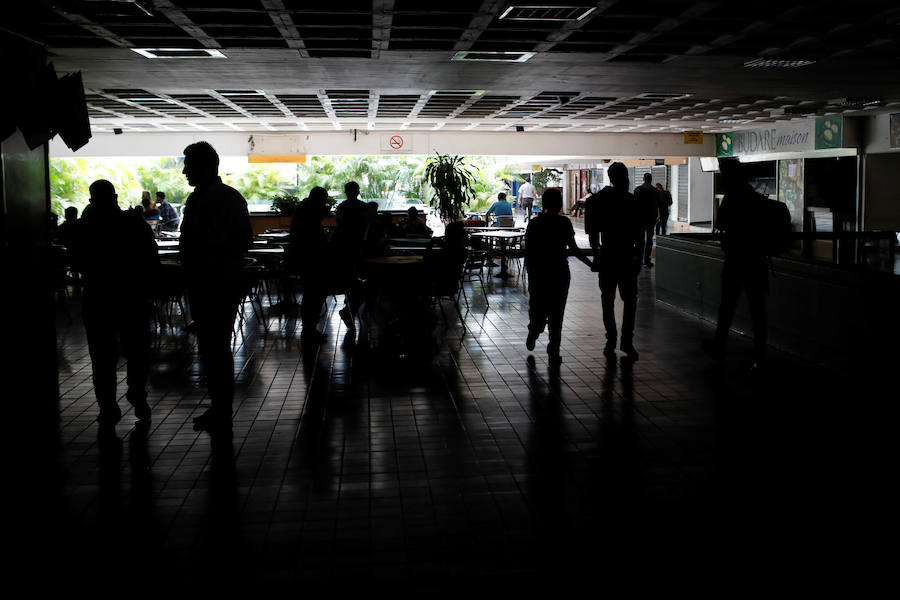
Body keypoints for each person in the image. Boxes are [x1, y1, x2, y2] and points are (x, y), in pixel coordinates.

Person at [66, 180, 158, 427]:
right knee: (137, 351)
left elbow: (75, 262)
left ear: (91, 199)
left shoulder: (83, 227)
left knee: (102, 356)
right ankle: (137, 394)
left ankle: (108, 407)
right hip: (131, 296)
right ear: (115, 197)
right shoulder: (133, 223)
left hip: (97, 297)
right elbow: (151, 256)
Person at [179, 141, 252, 432]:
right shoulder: (213, 198)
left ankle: (221, 407)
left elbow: (241, 241)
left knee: (216, 347)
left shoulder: (219, 199)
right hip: (211, 282)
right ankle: (219, 406)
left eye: (189, 164)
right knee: (213, 348)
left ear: (205, 166)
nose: (185, 170)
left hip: (216, 284)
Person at [703, 159, 770, 371]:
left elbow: (721, 226)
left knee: (727, 306)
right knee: (757, 309)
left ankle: (719, 347)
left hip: (736, 260)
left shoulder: (732, 198)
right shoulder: (755, 197)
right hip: (757, 261)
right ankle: (760, 354)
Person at [525, 188, 593, 365]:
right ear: (559, 203)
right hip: (559, 273)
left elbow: (529, 252)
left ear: (544, 203)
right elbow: (574, 248)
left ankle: (534, 329)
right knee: (557, 312)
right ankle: (553, 348)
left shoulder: (534, 223)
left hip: (539, 273)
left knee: (537, 305)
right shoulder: (564, 223)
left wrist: (530, 273)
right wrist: (590, 264)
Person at [584, 162, 643, 361]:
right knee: (630, 300)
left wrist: (596, 255)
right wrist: (639, 258)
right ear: (624, 177)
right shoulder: (632, 201)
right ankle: (627, 340)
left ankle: (612, 338)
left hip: (608, 256)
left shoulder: (597, 200)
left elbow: (593, 232)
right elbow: (640, 235)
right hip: (626, 257)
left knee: (607, 300)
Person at [289, 187, 331, 342]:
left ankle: (310, 329)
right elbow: (313, 238)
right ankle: (310, 329)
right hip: (311, 259)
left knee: (310, 295)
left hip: (304, 259)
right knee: (314, 295)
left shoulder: (304, 208)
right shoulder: (311, 212)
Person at [332, 181, 368, 330]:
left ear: (345, 191)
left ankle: (350, 309)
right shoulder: (363, 207)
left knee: (351, 282)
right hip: (359, 250)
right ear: (358, 191)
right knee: (362, 284)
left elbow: (339, 226)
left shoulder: (342, 208)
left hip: (343, 251)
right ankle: (351, 309)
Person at [633, 172, 659, 267]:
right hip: (651, 218)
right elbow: (658, 205)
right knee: (649, 239)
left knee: (640, 240)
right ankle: (646, 260)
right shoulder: (655, 191)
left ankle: (639, 259)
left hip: (640, 218)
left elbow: (634, 205)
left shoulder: (638, 190)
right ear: (651, 179)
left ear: (643, 179)